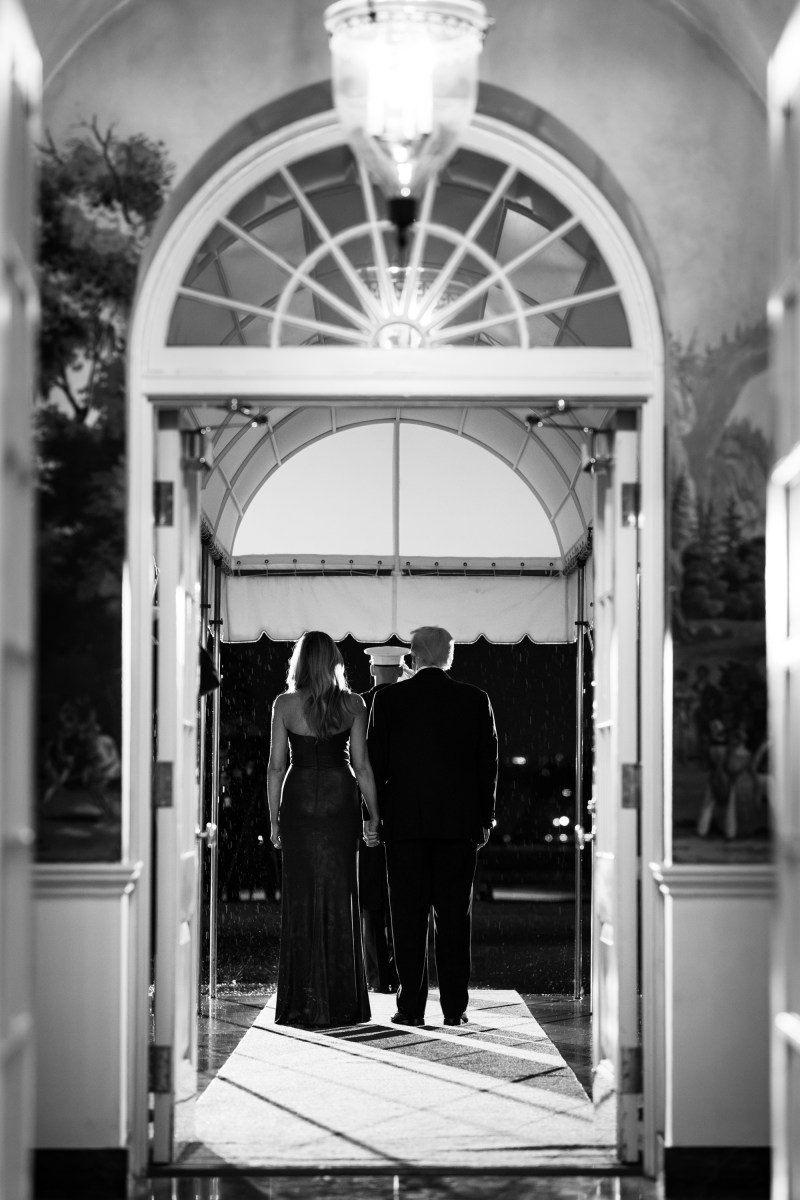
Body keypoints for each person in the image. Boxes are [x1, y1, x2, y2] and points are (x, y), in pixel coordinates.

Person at [367, 625, 498, 1028]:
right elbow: (487, 765)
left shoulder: (389, 700)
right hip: (458, 826)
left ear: (412, 657)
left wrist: (375, 816)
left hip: (404, 826)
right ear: (449, 657)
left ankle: (411, 1008)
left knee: (407, 917)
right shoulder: (475, 700)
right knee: (454, 918)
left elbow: (374, 764)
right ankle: (455, 1007)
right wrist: (485, 817)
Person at [267, 631, 381, 1028]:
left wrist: (274, 817)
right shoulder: (353, 704)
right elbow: (362, 766)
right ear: (333, 661)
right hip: (339, 798)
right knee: (341, 894)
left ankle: (301, 1002)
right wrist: (374, 815)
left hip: (299, 799)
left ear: (299, 662)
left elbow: (276, 767)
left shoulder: (284, 704)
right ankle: (342, 1002)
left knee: (299, 897)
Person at [358, 645, 408, 993]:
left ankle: (378, 976)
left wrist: (366, 816)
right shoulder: (411, 701)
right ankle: (403, 974)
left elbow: (360, 765)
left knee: (371, 900)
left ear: (373, 669)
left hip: (370, 810)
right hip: (406, 810)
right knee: (405, 898)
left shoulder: (360, 703)